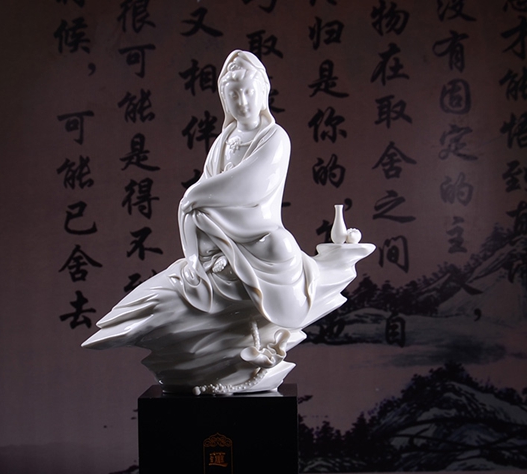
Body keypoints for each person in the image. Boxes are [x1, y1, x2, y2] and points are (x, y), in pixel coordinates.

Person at [82, 50, 374, 394]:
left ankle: (262, 313)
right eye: (233, 94)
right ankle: (195, 271)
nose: (243, 101)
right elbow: (207, 185)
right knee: (193, 213)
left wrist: (198, 196)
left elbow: (251, 185)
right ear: (224, 99)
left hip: (258, 226)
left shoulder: (275, 138)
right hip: (219, 230)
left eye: (249, 91)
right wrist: (198, 209)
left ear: (263, 92)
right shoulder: (224, 140)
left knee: (276, 244)